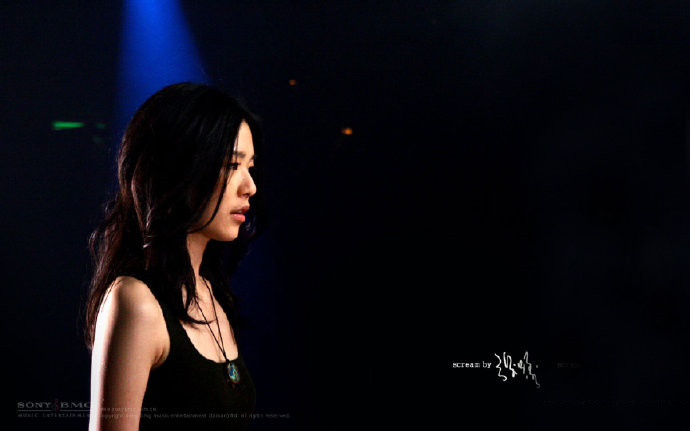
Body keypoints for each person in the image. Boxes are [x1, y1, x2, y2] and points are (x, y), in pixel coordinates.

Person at [83, 82, 265, 430]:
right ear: (181, 169)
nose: (250, 187)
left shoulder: (210, 292)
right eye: (232, 165)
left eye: (250, 166)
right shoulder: (135, 301)